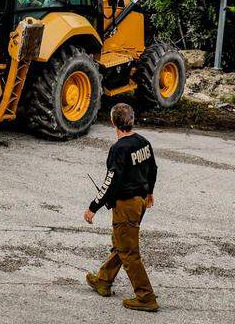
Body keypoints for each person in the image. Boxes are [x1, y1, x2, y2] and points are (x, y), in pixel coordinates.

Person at [84, 103, 159, 313]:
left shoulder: (119, 149)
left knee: (128, 251)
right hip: (141, 201)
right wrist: (150, 192)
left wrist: (93, 207)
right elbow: (153, 168)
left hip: (126, 205)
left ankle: (146, 297)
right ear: (132, 119)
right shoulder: (144, 143)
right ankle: (103, 281)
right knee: (121, 242)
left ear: (112, 122)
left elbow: (111, 181)